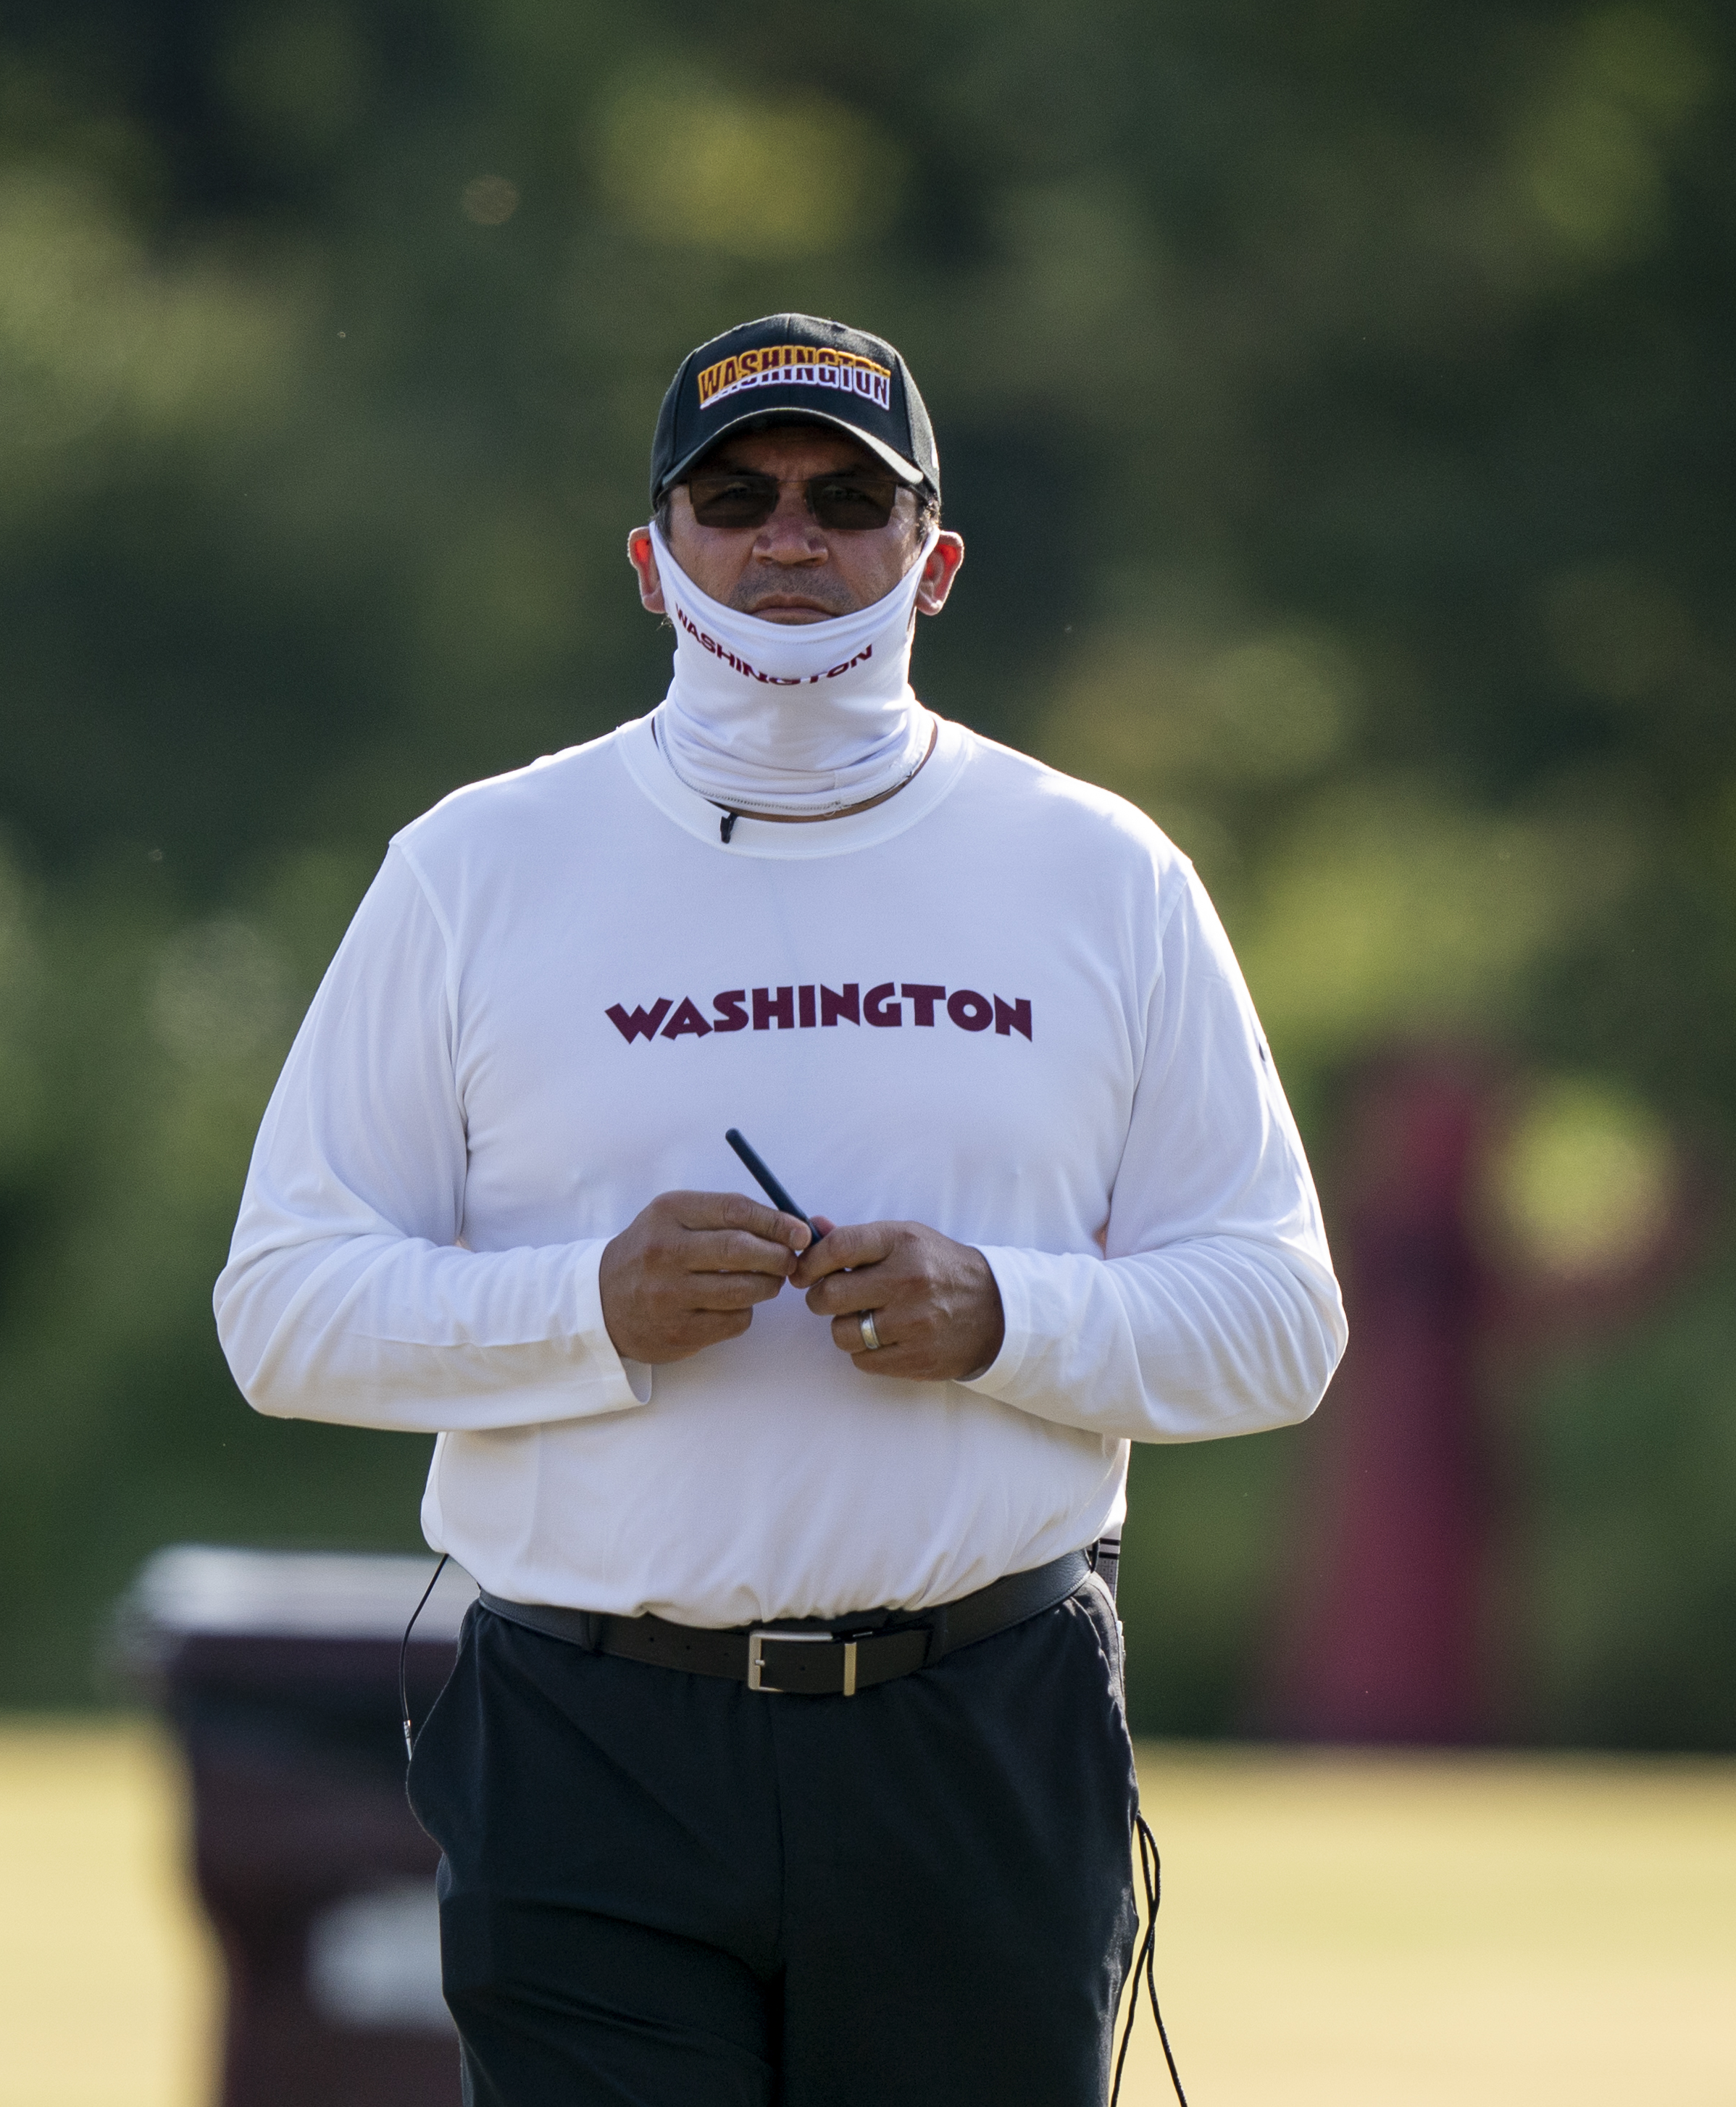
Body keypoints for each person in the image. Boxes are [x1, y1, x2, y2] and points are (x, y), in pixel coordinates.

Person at [214, 312, 1344, 2103]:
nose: (789, 539)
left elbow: (1281, 1321)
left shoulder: (1103, 872)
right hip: (586, 1735)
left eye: (846, 497)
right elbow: (279, 1309)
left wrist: (1005, 1316)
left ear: (936, 558)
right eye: (734, 498)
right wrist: (587, 1304)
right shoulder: (474, 869)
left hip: (980, 1726)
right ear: (655, 563)